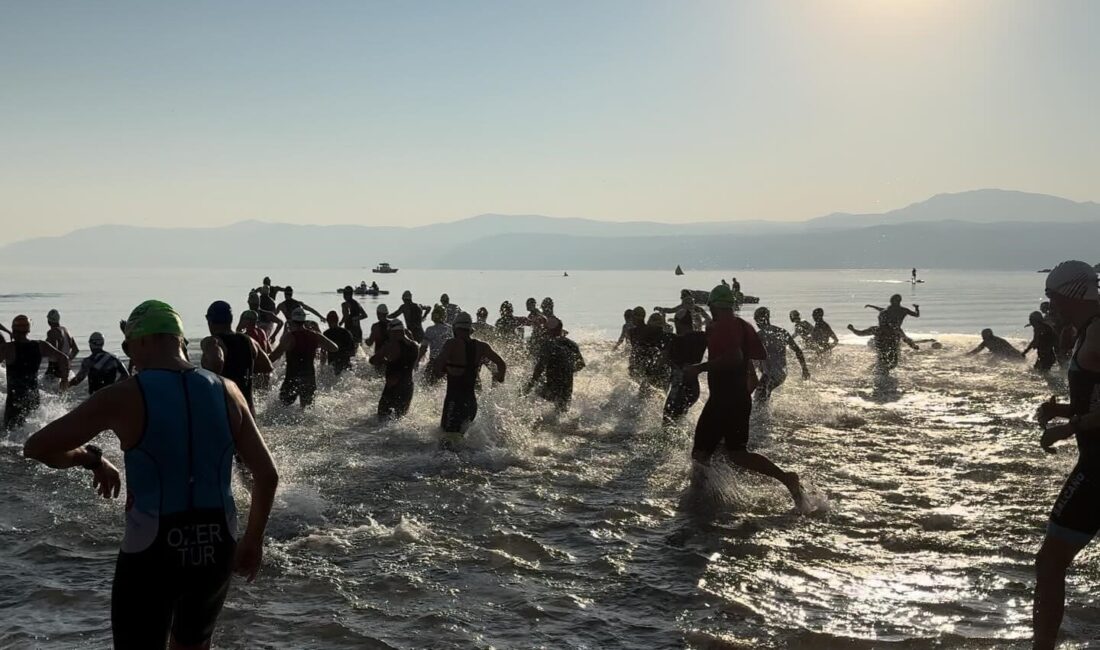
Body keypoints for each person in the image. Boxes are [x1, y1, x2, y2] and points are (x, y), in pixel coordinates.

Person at [22, 299, 278, 649]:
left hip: (153, 548)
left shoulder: (125, 394)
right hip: (217, 542)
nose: (130, 357)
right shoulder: (228, 391)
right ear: (179, 341)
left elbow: (36, 446)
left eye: (128, 346)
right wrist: (253, 538)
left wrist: (91, 459)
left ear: (143, 340)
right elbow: (267, 474)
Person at [1031, 261, 1100, 649]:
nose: (1048, 302)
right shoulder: (1088, 329)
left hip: (1097, 471)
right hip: (1092, 463)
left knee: (1050, 564)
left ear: (1070, 294)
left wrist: (1068, 427)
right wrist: (1062, 410)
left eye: (1052, 294)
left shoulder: (1099, 332)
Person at [682, 286, 803, 505]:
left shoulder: (722, 327)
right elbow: (753, 369)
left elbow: (734, 357)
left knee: (700, 454)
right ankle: (786, 478)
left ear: (715, 306)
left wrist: (698, 368)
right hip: (739, 398)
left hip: (722, 398)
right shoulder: (743, 326)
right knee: (737, 453)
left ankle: (697, 502)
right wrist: (740, 399)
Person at [433, 313, 507, 448]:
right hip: (471, 402)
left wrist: (443, 371)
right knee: (460, 439)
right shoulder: (482, 346)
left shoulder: (451, 344)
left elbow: (437, 368)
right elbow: (501, 364)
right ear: (470, 330)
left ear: (455, 329)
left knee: (447, 442)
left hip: (454, 401)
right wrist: (499, 377)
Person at [201, 301, 273, 417]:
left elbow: (216, 363)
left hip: (224, 410)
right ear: (231, 320)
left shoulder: (212, 341)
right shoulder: (249, 341)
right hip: (247, 410)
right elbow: (267, 367)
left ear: (209, 320)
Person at [2, 315, 70, 430]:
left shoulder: (7, 348)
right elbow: (64, 358)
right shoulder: (40, 345)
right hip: (33, 396)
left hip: (15, 399)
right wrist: (64, 379)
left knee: (9, 431)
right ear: (28, 330)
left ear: (13, 330)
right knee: (32, 426)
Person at [269, 308, 339, 408]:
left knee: (282, 408)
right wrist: (317, 342)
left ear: (292, 321)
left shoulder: (289, 337)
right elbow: (334, 348)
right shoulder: (315, 336)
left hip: (292, 378)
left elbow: (273, 357)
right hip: (309, 378)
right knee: (307, 410)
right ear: (304, 321)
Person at [525, 317, 584, 412]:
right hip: (567, 385)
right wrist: (567, 370)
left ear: (549, 330)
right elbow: (580, 365)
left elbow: (540, 366)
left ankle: (529, 414)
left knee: (532, 388)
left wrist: (530, 385)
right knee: (562, 412)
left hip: (552, 386)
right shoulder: (572, 344)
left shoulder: (548, 344)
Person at [753, 307, 811, 400]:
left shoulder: (759, 335)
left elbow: (752, 358)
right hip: (782, 374)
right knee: (764, 395)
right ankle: (770, 412)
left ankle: (765, 414)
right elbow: (798, 351)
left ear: (758, 320)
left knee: (759, 398)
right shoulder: (782, 332)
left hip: (768, 375)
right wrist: (804, 369)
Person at [663, 310, 708, 426]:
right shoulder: (702, 338)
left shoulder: (674, 340)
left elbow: (664, 360)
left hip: (679, 388)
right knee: (679, 419)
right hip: (694, 388)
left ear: (678, 323)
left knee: (667, 421)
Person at [370, 319, 419, 420]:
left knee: (381, 419)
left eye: (390, 333)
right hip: (408, 387)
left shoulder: (391, 345)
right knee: (400, 419)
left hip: (393, 388)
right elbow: (405, 363)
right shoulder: (415, 346)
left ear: (395, 332)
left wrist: (384, 360)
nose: (389, 335)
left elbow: (373, 360)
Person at [630, 313, 674, 393]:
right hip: (658, 369)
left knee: (647, 393)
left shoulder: (664, 336)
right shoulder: (665, 335)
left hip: (657, 369)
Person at [44, 309, 79, 381]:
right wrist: (68, 360)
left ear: (48, 321)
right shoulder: (67, 331)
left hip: (54, 367)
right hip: (66, 369)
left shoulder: (51, 332)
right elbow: (76, 350)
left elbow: (54, 350)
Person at [421, 305, 454, 378]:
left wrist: (417, 360)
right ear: (444, 316)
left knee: (425, 384)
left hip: (434, 362)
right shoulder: (450, 329)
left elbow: (423, 348)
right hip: (448, 363)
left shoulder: (430, 330)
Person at [322, 311, 357, 377]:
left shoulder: (326, 334)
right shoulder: (346, 332)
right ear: (338, 320)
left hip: (333, 365)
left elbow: (323, 353)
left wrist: (322, 368)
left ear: (328, 321)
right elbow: (353, 352)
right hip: (345, 364)